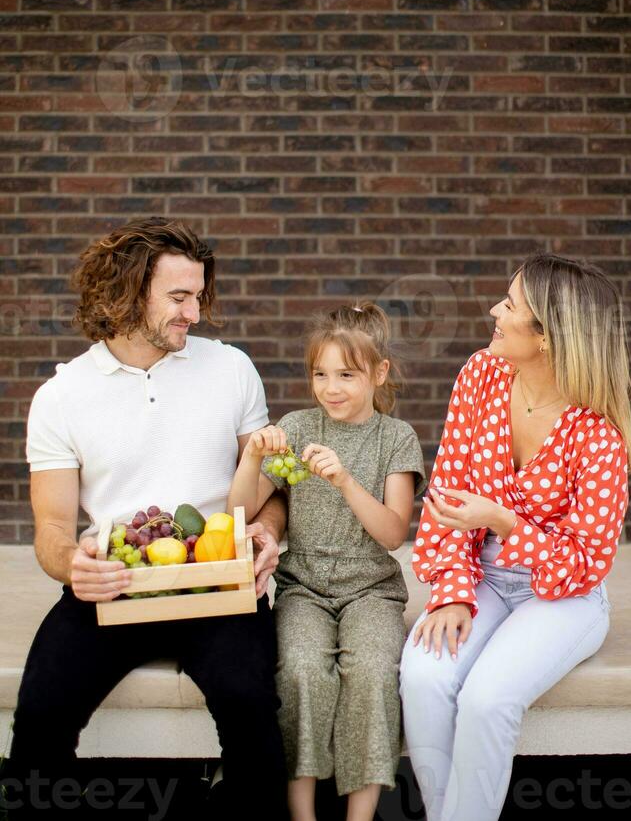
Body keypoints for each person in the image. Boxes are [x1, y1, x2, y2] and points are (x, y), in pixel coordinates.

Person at [8, 217, 290, 819]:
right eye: (179, 297)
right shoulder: (62, 396)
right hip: (117, 582)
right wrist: (73, 567)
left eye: (198, 295)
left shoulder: (231, 368)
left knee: (251, 709)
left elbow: (270, 485)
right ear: (128, 292)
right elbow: (53, 528)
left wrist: (267, 531)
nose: (194, 312)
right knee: (38, 719)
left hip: (219, 580)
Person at [400, 253, 631, 821]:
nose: (493, 311)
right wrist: (454, 588)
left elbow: (584, 562)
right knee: (425, 675)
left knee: (487, 699)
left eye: (510, 306)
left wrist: (506, 524)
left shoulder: (596, 436)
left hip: (563, 595)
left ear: (549, 337)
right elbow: (448, 490)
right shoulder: (482, 374)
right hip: (479, 572)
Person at [227, 302, 428, 821]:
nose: (331, 387)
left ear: (379, 373)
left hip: (372, 591)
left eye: (346, 374)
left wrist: (344, 480)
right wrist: (252, 458)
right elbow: (238, 512)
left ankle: (360, 815)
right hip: (304, 589)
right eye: (321, 373)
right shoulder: (296, 427)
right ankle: (303, 813)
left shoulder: (395, 437)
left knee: (374, 671)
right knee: (299, 671)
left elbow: (391, 533)